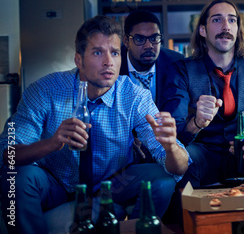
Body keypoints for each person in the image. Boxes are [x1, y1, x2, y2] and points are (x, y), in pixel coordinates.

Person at [0, 16, 190, 233]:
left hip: (111, 184)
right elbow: (7, 153)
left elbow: (180, 167)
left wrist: (171, 147)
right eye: (98, 52)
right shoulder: (44, 90)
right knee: (17, 176)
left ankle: (131, 230)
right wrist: (51, 143)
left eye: (115, 53)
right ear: (78, 60)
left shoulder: (135, 95)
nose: (109, 62)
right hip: (56, 183)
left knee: (163, 179)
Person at [160, 0, 244, 187]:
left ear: (238, 30)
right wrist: (197, 122)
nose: (226, 26)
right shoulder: (181, 70)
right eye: (217, 20)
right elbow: (176, 134)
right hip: (203, 151)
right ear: (202, 30)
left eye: (232, 20)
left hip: (243, 152)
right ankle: (198, 217)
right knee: (185, 160)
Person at [120, 10, 183, 104]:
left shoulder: (176, 63)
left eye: (154, 38)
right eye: (140, 39)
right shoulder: (113, 63)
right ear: (126, 41)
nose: (149, 46)